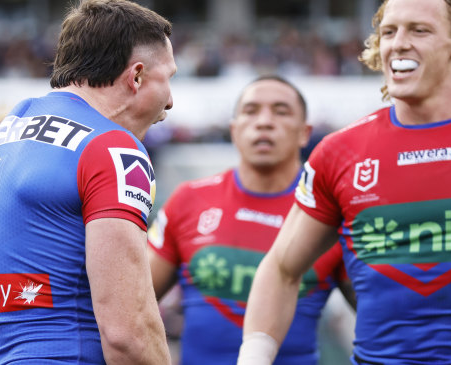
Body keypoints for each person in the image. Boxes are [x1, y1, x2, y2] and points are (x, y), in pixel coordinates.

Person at [238, 0, 451, 364]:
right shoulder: (339, 152)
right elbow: (280, 268)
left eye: (419, 30)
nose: (398, 43)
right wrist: (254, 357)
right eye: (389, 31)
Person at [0, 0, 176, 364]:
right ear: (136, 76)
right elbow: (127, 333)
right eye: (168, 79)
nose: (170, 103)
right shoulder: (111, 148)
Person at [147, 75, 356, 365]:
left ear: (305, 132)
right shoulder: (188, 201)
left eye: (281, 111)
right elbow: (133, 306)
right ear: (234, 130)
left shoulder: (332, 214)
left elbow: (377, 317)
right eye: (251, 111)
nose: (264, 122)